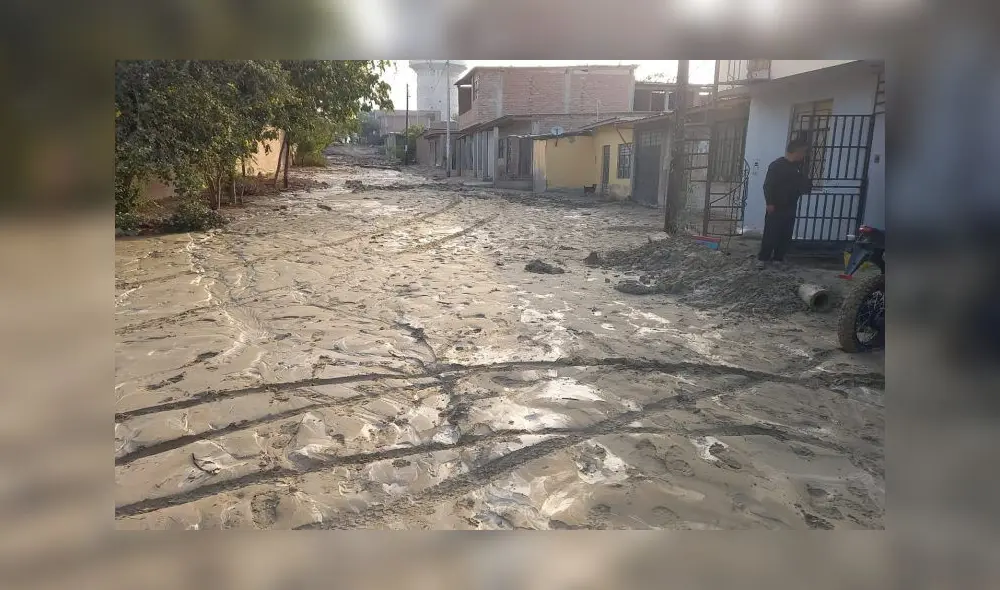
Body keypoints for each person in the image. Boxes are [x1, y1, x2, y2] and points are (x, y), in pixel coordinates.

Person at [757, 137, 813, 269]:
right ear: (796, 152)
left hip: (791, 205)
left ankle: (779, 258)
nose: (804, 155)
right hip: (776, 206)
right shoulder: (777, 165)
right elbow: (768, 185)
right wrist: (769, 202)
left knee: (786, 233)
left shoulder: (798, 168)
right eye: (803, 152)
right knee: (771, 233)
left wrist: (805, 187)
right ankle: (763, 258)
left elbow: (803, 184)